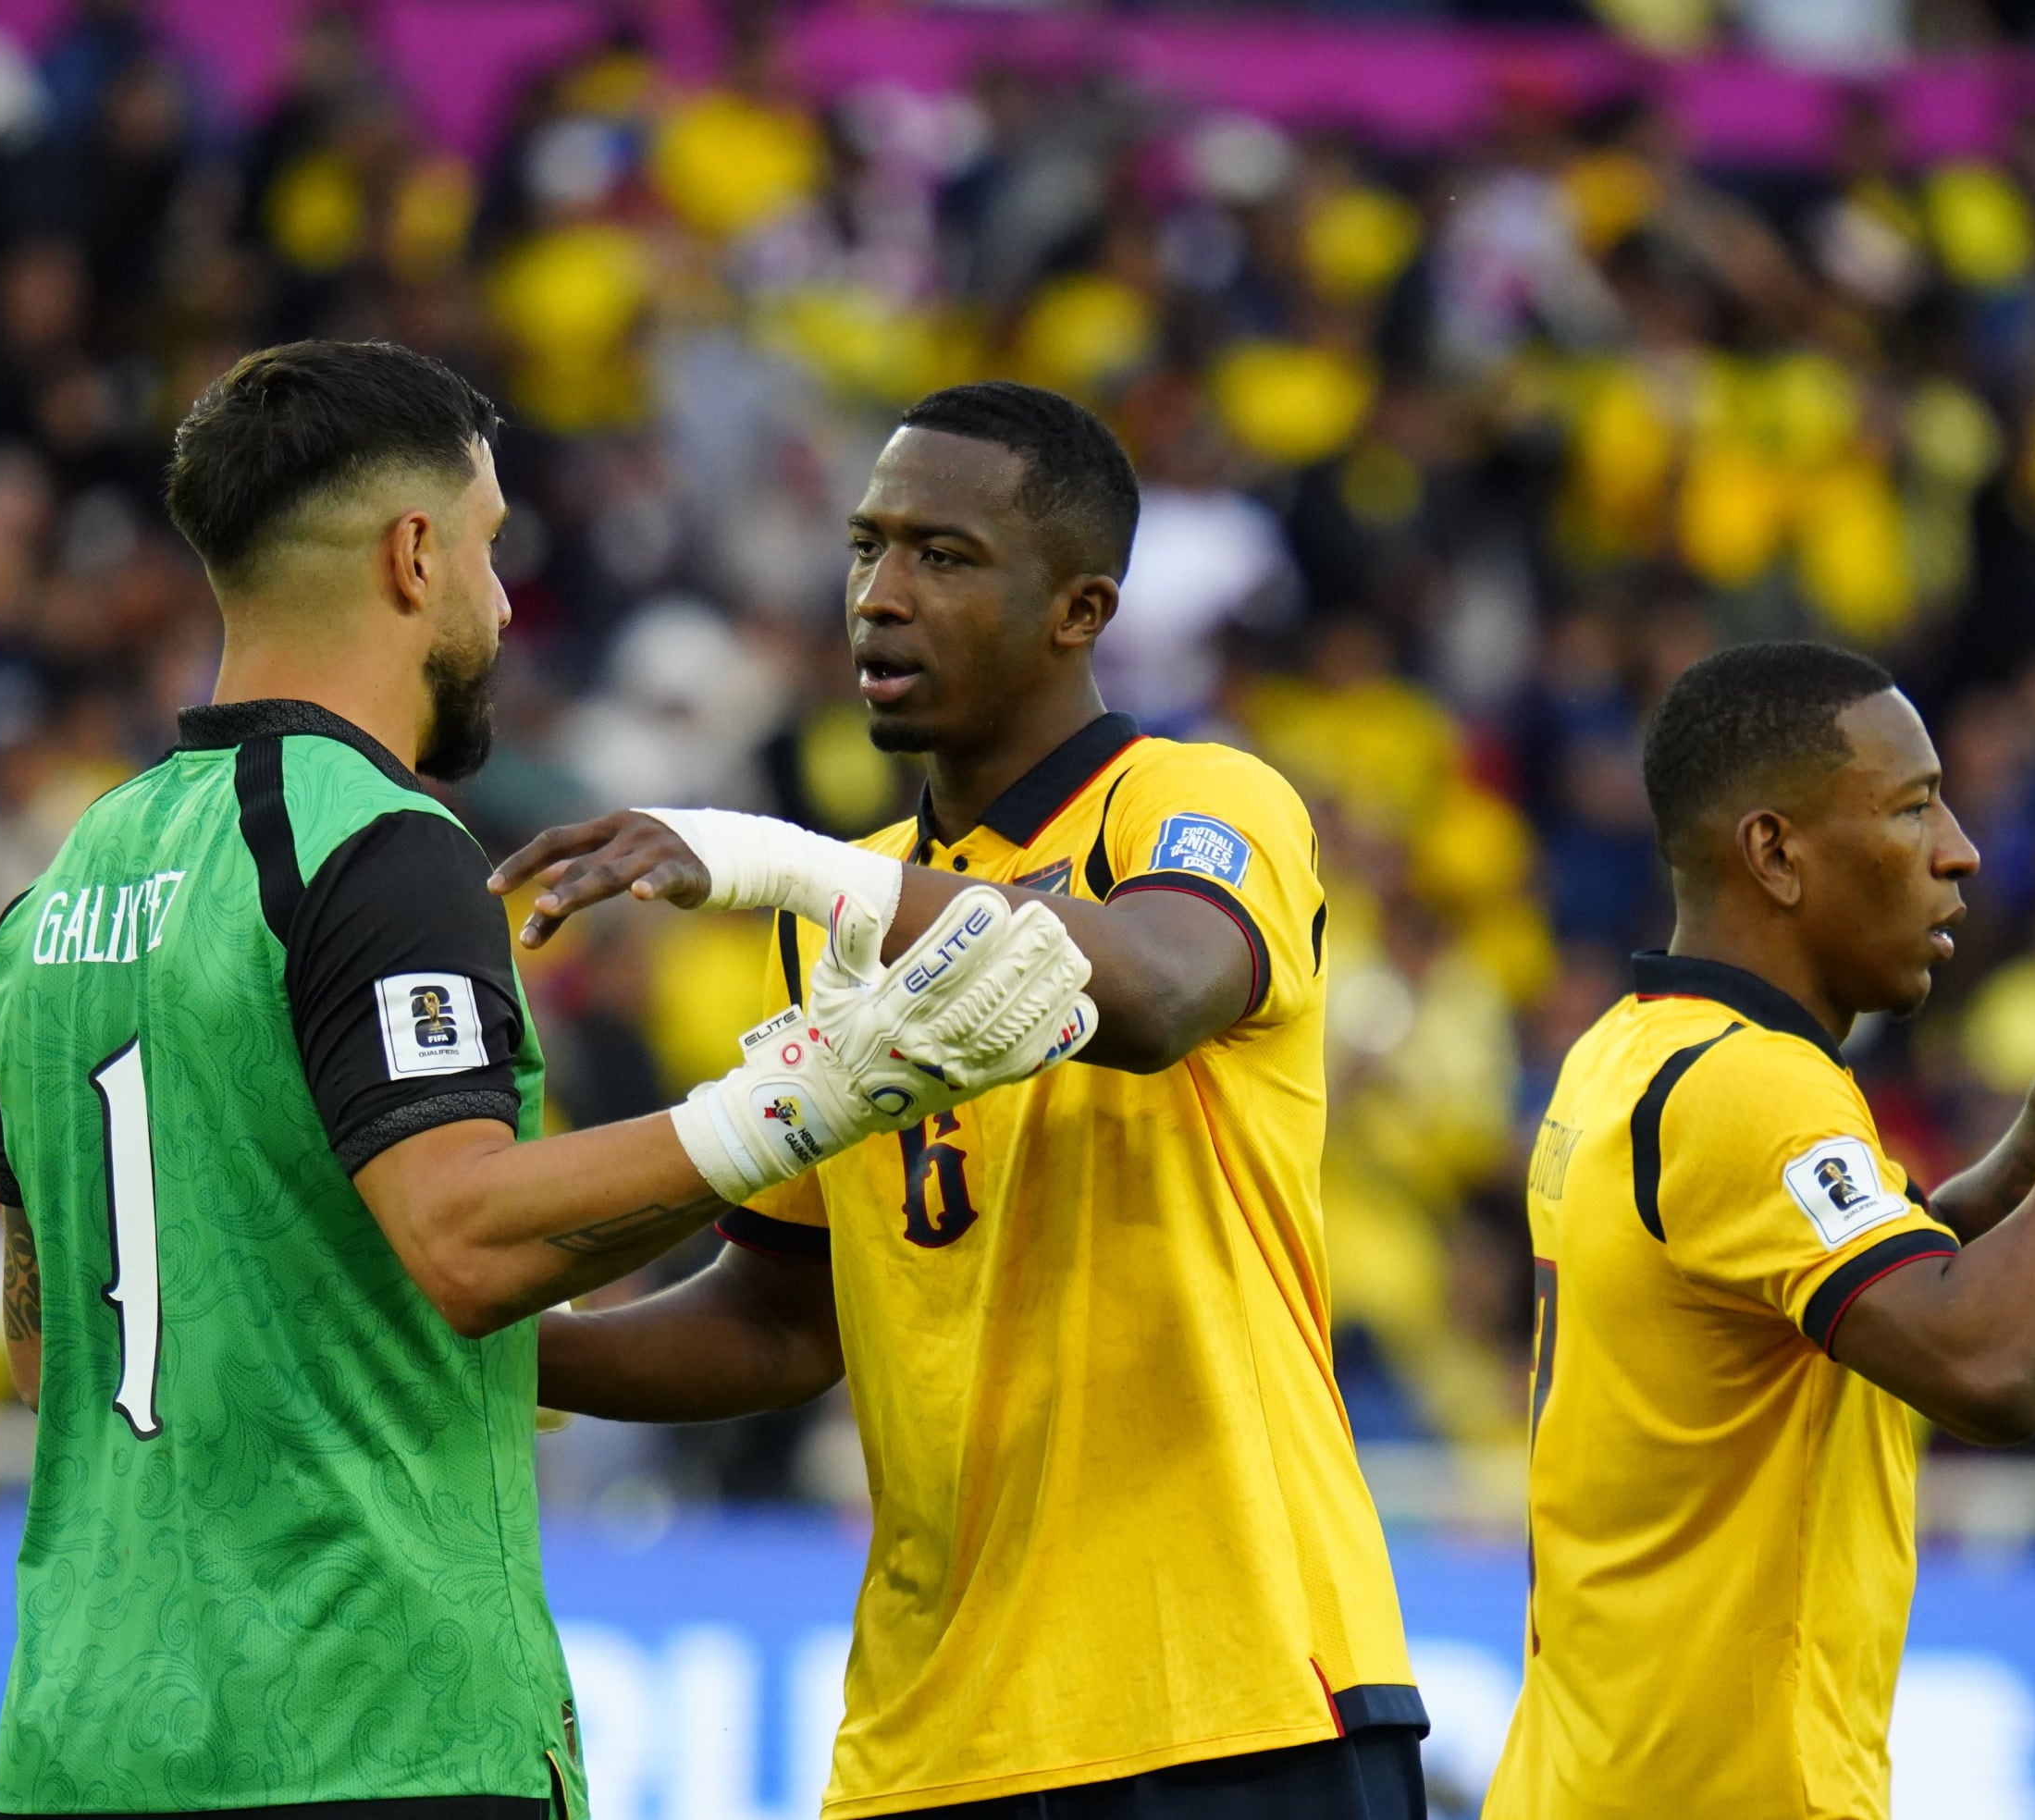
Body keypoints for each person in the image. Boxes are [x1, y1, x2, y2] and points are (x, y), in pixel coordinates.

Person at [0, 341, 1097, 1820]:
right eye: (491, 548)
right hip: (366, 1730)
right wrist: (813, 1098)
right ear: (413, 554)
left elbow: (43, 1344)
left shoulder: (59, 887)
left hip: (79, 1737)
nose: (504, 605)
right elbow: (466, 1241)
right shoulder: (373, 844)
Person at [491, 380, 1427, 1820]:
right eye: (867, 547)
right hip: (932, 1735)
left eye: (944, 555)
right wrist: (500, 1358)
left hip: (1233, 1694)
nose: (880, 595)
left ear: (1079, 609)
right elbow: (782, 1320)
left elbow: (1160, 988)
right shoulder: (841, 907)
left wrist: (786, 861)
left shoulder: (1199, 799)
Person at [1482, 641, 2035, 1820]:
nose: (1958, 850)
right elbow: (1991, 1362)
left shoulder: (1627, 1051)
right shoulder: (1750, 1089)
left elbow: (1911, 1254)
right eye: (1912, 806)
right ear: (1775, 854)